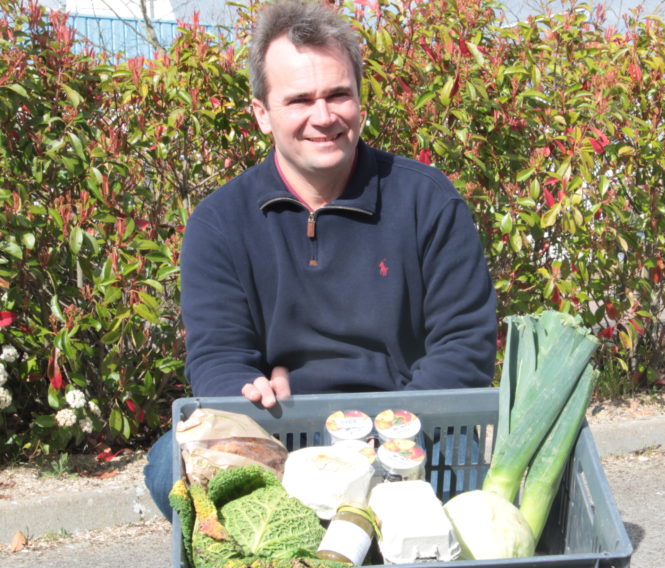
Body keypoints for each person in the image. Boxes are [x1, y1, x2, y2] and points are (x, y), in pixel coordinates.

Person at [143, 0, 497, 520]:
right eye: (299, 100)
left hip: (408, 424)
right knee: (164, 467)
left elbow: (464, 347)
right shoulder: (219, 223)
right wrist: (249, 396)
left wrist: (389, 434)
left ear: (360, 100)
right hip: (282, 430)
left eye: (338, 94)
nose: (323, 116)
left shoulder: (426, 201)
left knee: (466, 486)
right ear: (262, 114)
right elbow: (217, 357)